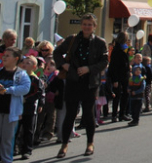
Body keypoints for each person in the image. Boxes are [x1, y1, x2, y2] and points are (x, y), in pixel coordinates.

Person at [52, 13, 108, 159]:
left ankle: (90, 143)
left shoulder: (100, 42)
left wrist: (89, 68)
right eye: (84, 24)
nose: (86, 27)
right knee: (70, 114)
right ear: (81, 25)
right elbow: (57, 52)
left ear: (94, 26)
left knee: (88, 114)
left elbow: (104, 62)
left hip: (90, 82)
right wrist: (63, 65)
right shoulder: (72, 39)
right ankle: (64, 145)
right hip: (73, 80)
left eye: (90, 25)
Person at [0, 48, 30, 163]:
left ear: (16, 59)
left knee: (7, 139)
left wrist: (8, 90)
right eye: (4, 55)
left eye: (8, 56)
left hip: (11, 113)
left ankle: (6, 160)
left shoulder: (21, 74)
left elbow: (25, 88)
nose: (4, 58)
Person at [17, 56, 44, 160]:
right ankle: (15, 148)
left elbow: (39, 93)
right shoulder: (18, 77)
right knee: (16, 129)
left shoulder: (35, 79)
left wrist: (40, 104)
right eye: (23, 62)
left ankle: (27, 150)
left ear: (34, 67)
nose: (24, 64)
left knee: (28, 129)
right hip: (18, 107)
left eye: (28, 63)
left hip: (30, 108)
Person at [108, 32, 130, 123]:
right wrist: (115, 80)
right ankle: (114, 115)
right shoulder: (116, 50)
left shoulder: (125, 48)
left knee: (125, 94)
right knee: (117, 96)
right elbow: (113, 66)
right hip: (118, 76)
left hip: (125, 75)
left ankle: (122, 114)